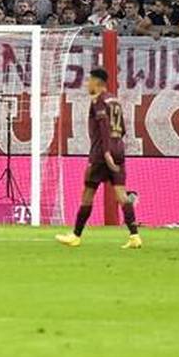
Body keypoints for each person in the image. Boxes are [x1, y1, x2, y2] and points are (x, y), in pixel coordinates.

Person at [56, 68, 142, 249]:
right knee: (121, 194)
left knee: (87, 194)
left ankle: (76, 235)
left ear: (97, 82)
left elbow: (103, 126)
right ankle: (134, 236)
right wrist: (115, 146)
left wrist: (106, 152)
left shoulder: (98, 101)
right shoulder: (115, 100)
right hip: (119, 148)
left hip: (102, 153)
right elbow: (123, 128)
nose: (87, 84)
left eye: (90, 81)